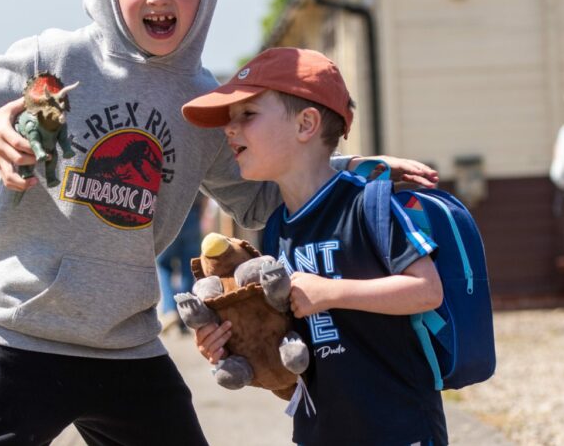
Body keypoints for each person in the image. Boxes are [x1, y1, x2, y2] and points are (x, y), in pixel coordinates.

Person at [0, 0, 438, 445]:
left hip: (125, 343)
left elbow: (262, 196)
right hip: (15, 331)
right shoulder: (58, 61)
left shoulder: (201, 105)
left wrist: (354, 170)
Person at [182, 47, 447, 445]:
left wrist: (330, 293)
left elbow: (427, 290)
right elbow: (288, 345)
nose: (229, 129)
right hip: (318, 431)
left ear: (306, 124)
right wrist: (234, 342)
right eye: (230, 119)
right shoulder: (276, 229)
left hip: (398, 427)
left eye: (247, 115)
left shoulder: (368, 205)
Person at [157, 193, 207, 333]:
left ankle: (170, 309)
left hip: (167, 216)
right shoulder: (196, 170)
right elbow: (205, 198)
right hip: (193, 215)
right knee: (188, 269)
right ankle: (185, 315)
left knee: (163, 265)